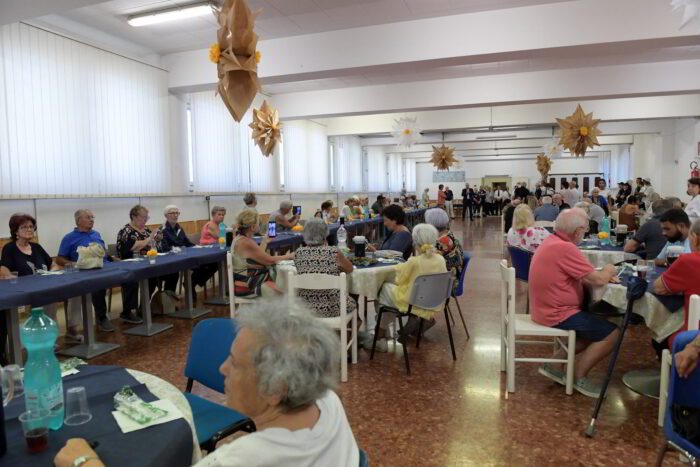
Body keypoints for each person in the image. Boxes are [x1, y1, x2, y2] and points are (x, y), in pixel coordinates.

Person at [54, 300, 360, 467]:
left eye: (235, 363)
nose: (221, 368)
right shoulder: (325, 400)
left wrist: (83, 461)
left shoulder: (243, 459)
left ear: (275, 389)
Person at [529, 208, 620, 397]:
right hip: (558, 313)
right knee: (612, 333)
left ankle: (553, 364)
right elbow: (598, 280)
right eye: (585, 230)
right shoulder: (566, 248)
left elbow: (582, 274)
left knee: (593, 328)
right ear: (578, 231)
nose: (584, 234)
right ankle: (580, 377)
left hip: (543, 308)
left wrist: (597, 275)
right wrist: (610, 269)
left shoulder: (552, 241)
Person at [0, 213, 71, 352]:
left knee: (51, 298)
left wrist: (53, 270)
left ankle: (47, 338)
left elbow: (53, 264)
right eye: (24, 227)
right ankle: (31, 341)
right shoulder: (10, 248)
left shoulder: (36, 247)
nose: (29, 229)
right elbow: (4, 269)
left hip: (43, 287)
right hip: (23, 290)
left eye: (31, 227)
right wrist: (9, 276)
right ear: (16, 231)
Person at [375, 224, 447, 349]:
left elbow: (400, 280)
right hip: (433, 300)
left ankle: (381, 332)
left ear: (415, 242)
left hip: (412, 301)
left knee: (384, 289)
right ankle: (422, 317)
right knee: (390, 296)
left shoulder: (414, 261)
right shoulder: (440, 259)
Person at [117, 205, 177, 324]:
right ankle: (128, 312)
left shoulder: (146, 230)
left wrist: (158, 238)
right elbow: (131, 247)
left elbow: (154, 244)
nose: (145, 220)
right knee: (133, 279)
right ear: (134, 217)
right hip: (130, 264)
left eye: (146, 217)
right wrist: (150, 239)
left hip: (149, 262)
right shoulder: (126, 231)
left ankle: (147, 306)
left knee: (172, 271)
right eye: (143, 217)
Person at [56, 209, 113, 333]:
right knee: (96, 286)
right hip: (82, 271)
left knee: (129, 278)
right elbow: (59, 259)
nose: (91, 220)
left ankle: (129, 311)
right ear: (78, 221)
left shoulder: (96, 234)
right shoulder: (69, 238)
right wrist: (73, 264)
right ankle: (101, 317)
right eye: (88, 217)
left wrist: (112, 258)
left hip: (103, 267)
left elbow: (104, 252)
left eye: (92, 217)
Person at [292, 218, 356, 318]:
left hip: (305, 307)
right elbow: (350, 269)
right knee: (353, 302)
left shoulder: (298, 252)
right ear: (325, 233)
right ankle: (343, 332)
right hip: (333, 306)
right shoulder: (333, 251)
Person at [653, 219, 700, 350]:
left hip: (693, 335)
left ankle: (672, 368)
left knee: (659, 339)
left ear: (695, 238)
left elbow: (658, 288)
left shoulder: (689, 261)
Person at [160, 205, 218, 302]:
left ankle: (191, 283)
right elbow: (164, 248)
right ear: (166, 215)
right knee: (173, 274)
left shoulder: (179, 228)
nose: (175, 215)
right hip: (172, 259)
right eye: (172, 213)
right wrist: (180, 249)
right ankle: (169, 302)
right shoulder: (162, 229)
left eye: (177, 213)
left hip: (185, 255)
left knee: (213, 263)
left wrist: (198, 247)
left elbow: (187, 242)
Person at [425, 208, 464, 292]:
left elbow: (426, 261)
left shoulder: (441, 242)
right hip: (451, 276)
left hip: (446, 282)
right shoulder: (449, 234)